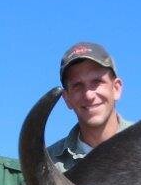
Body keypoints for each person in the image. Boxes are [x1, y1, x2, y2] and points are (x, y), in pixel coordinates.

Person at [47, 42, 133, 171]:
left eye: (97, 82)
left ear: (116, 88)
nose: (88, 95)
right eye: (77, 86)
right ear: (67, 99)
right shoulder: (48, 166)